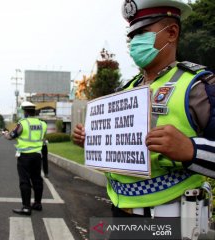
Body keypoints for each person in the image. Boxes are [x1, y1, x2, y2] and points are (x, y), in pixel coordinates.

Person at [73, 0, 215, 238]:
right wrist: (93, 140)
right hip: (120, 213)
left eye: (142, 33)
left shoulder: (199, 86)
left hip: (171, 219)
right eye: (131, 36)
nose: (134, 42)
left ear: (171, 32)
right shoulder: (126, 89)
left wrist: (191, 150)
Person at [4, 101, 47, 215]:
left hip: (25, 156)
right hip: (37, 156)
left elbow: (12, 136)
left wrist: (5, 134)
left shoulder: (23, 123)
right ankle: (37, 204)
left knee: (24, 181)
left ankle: (26, 207)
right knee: (37, 179)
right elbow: (42, 138)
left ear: (25, 112)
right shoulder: (43, 124)